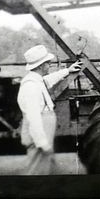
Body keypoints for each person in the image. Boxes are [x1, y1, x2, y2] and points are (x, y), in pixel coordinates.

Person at [17, 45, 82, 175]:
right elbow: (33, 118)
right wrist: (42, 143)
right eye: (48, 63)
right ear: (41, 66)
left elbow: (48, 80)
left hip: (42, 135)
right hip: (38, 137)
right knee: (37, 171)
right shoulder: (31, 87)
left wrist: (67, 71)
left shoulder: (36, 81)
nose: (49, 66)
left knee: (45, 168)